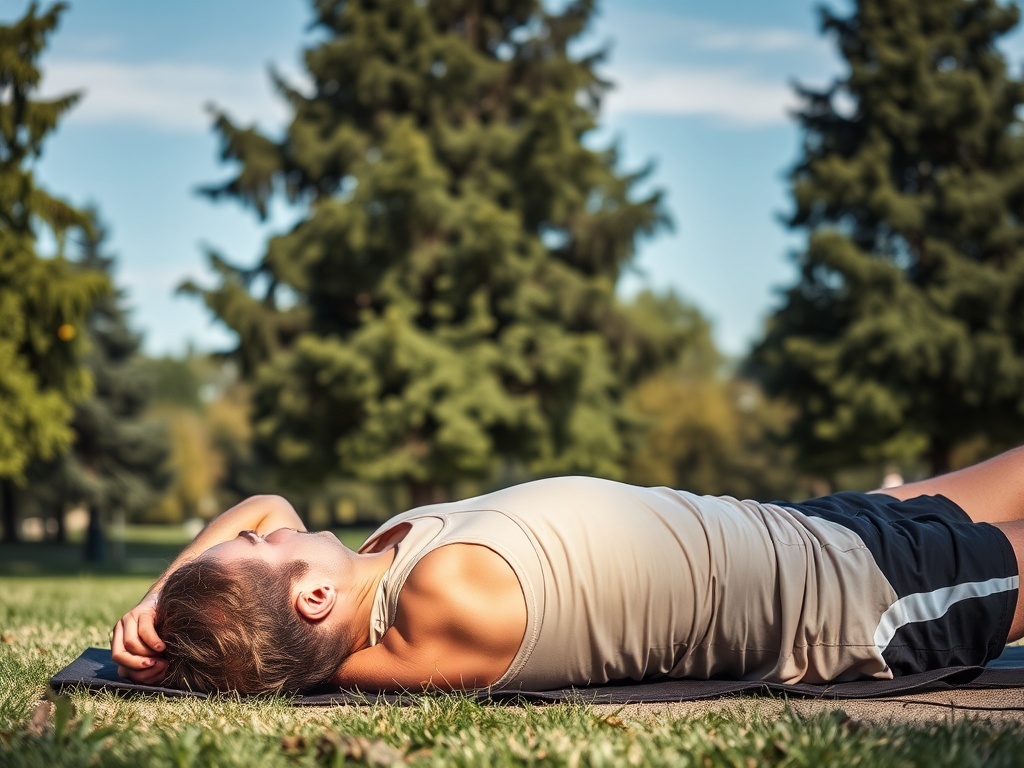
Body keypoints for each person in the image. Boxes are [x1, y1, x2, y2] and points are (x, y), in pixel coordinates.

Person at [111, 447, 1024, 695]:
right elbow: (266, 518)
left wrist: (163, 598)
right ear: (311, 597)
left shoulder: (372, 572)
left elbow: (265, 507)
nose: (275, 529)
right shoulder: (439, 608)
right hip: (853, 601)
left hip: (803, 524)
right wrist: (192, 610)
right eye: (272, 554)